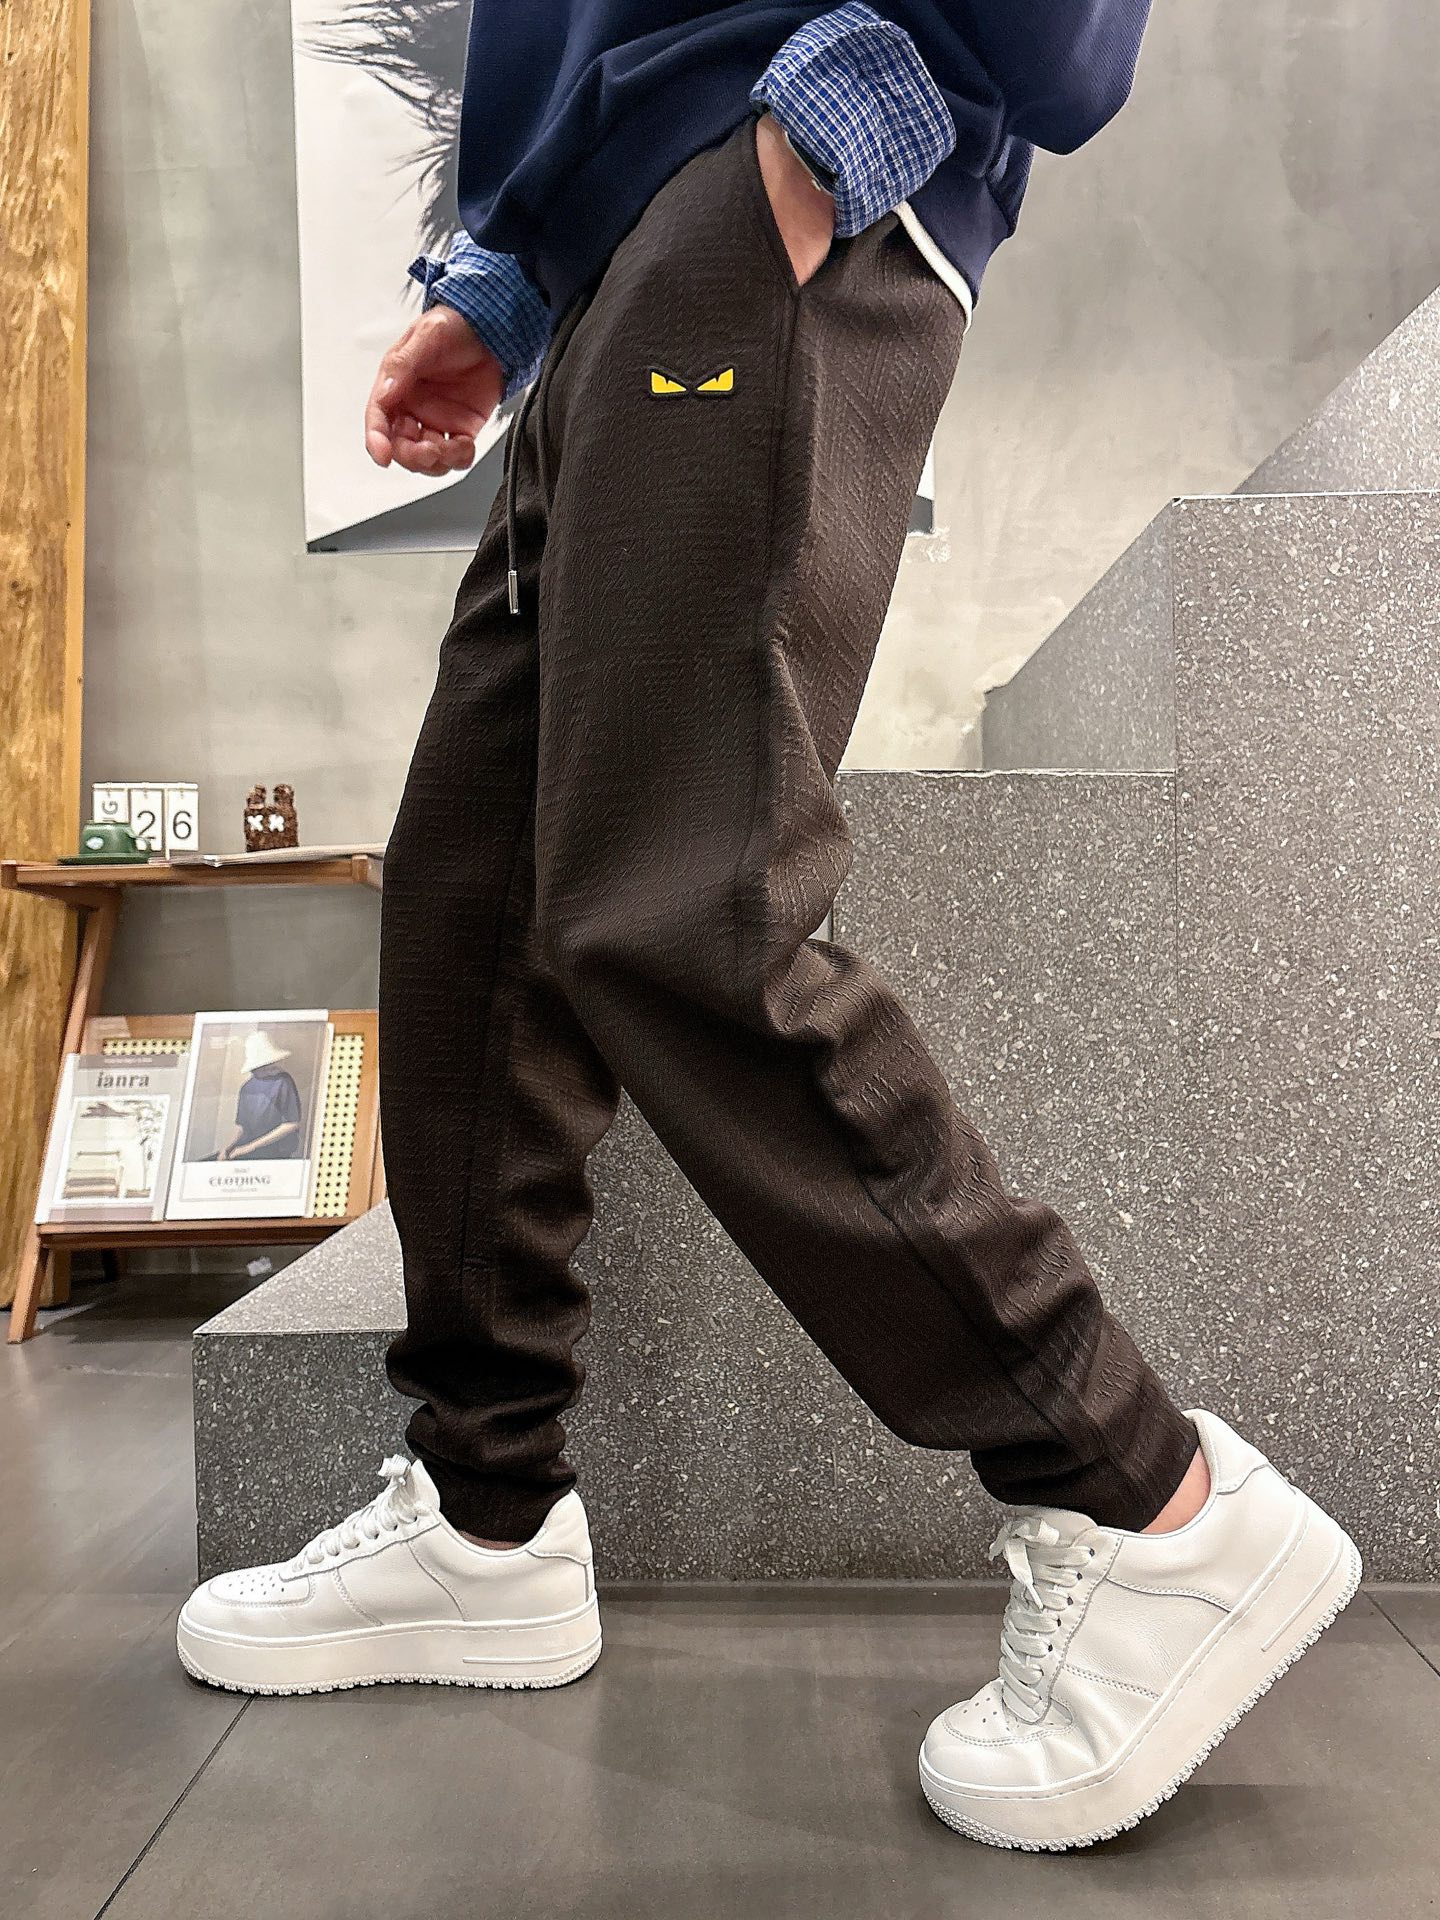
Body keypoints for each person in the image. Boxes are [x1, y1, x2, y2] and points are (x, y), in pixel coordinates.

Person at [178, 3, 1360, 1849]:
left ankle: (1147, 1502)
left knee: (686, 908)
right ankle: (485, 1516)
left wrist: (835, 125)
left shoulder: (800, 158)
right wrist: (508, 280)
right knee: (478, 909)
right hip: (628, 253)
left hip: (776, 182)